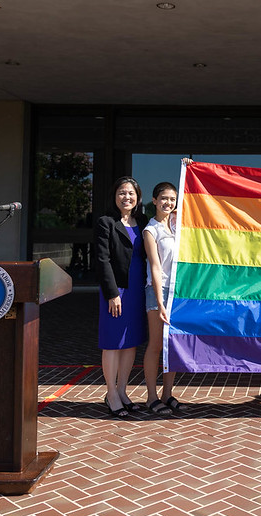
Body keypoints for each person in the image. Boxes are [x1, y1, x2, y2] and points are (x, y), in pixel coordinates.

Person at [95, 176, 148, 418]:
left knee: (130, 342)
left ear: (138, 197)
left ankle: (123, 391)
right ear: (115, 197)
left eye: (131, 193)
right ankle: (111, 394)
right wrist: (112, 293)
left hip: (138, 290)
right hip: (118, 290)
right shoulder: (106, 222)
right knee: (113, 342)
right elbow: (102, 260)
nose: (126, 197)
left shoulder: (144, 221)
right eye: (121, 193)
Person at [142, 181, 188, 415]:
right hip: (158, 291)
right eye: (164, 199)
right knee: (156, 344)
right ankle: (151, 397)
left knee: (172, 345)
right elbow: (155, 267)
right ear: (154, 201)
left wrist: (188, 169)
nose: (168, 203)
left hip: (177, 291)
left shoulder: (175, 223)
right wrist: (160, 302)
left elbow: (194, 206)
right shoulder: (151, 230)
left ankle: (167, 394)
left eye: (172, 199)